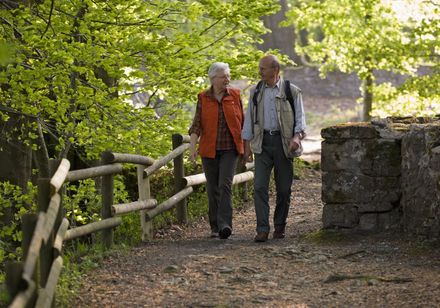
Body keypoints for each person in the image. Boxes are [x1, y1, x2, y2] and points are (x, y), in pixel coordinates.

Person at [241, 54, 306, 242]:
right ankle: (262, 229)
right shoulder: (255, 92)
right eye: (260, 68)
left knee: (284, 189)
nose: (259, 71)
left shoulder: (292, 91)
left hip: (284, 144)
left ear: (275, 70)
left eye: (263, 68)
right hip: (262, 144)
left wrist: (296, 137)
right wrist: (246, 148)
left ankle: (280, 226)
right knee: (260, 186)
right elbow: (248, 121)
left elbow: (300, 120)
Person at [188, 62, 244, 239]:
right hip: (209, 150)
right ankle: (214, 225)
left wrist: (247, 147)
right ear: (213, 79)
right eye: (223, 76)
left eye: (228, 75)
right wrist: (192, 147)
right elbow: (197, 124)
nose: (227, 79)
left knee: (224, 185)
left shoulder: (235, 95)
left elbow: (243, 122)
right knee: (212, 188)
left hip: (230, 148)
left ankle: (225, 225)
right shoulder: (203, 97)